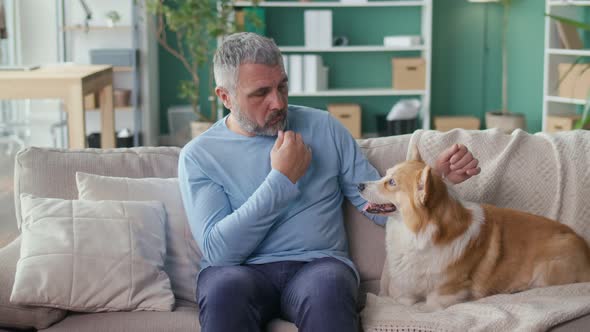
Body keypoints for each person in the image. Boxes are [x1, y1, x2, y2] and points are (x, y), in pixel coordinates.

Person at [178, 32, 480, 332]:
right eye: (260, 93)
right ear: (225, 96)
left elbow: (374, 204)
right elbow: (220, 252)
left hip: (318, 267)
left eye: (282, 86)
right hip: (239, 272)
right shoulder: (200, 156)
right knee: (223, 290)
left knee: (329, 287)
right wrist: (282, 180)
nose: (278, 103)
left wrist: (432, 182)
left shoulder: (324, 127)